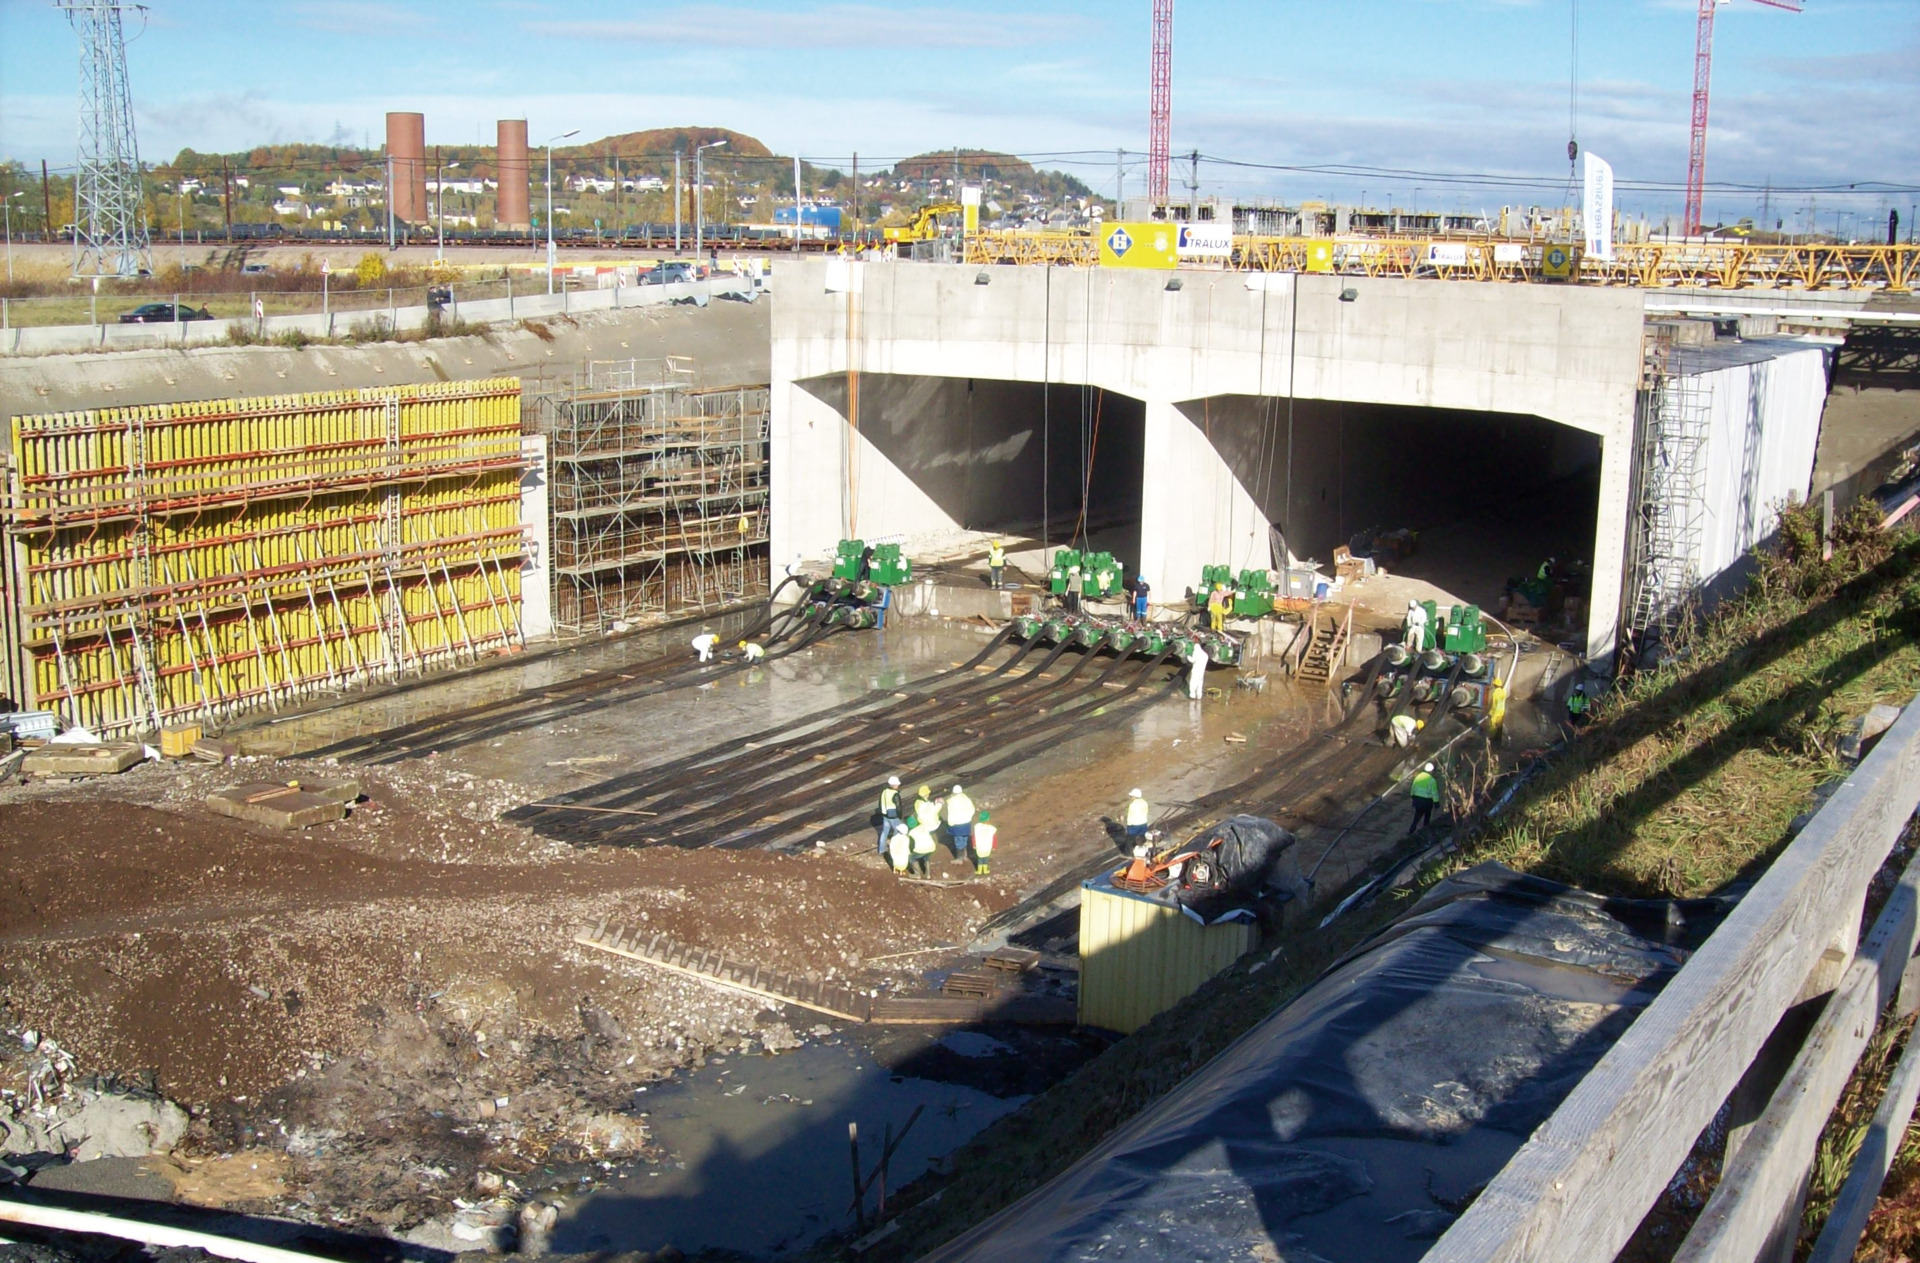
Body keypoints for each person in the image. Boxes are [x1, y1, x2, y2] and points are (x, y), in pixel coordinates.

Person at [944, 784, 976, 858]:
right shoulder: (967, 799)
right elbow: (972, 810)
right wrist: (968, 817)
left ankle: (959, 858)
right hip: (967, 823)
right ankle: (965, 856)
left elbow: (950, 814)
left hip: (957, 824)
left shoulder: (951, 801)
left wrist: (950, 824)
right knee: (964, 839)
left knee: (958, 841)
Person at [1409, 762, 1441, 834]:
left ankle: (1412, 828)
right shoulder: (1432, 780)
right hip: (1427, 801)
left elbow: (1413, 786)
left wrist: (1412, 795)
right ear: (1432, 771)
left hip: (1417, 799)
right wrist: (1436, 803)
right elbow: (1434, 793)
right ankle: (1425, 829)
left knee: (1417, 814)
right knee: (1427, 815)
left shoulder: (1418, 776)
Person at [876, 775, 902, 857]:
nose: (898, 786)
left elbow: (880, 803)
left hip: (885, 814)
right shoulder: (895, 794)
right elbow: (898, 806)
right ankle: (894, 848)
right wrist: (900, 815)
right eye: (897, 784)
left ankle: (881, 850)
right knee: (897, 831)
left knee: (884, 831)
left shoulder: (884, 791)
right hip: (893, 814)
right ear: (894, 785)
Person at [970, 810, 996, 876]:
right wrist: (994, 846)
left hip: (979, 847)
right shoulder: (991, 828)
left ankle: (979, 870)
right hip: (987, 847)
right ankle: (985, 870)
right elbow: (994, 839)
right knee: (985, 859)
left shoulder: (977, 827)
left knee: (980, 859)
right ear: (988, 819)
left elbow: (974, 837)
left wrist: (974, 844)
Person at [1488, 677, 1509, 745]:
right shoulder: (1503, 691)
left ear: (1495, 685)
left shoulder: (1495, 693)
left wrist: (1491, 712)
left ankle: (1492, 738)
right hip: (1501, 711)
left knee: (1493, 724)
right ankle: (1498, 738)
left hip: (1496, 711)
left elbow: (1494, 704)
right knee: (1500, 724)